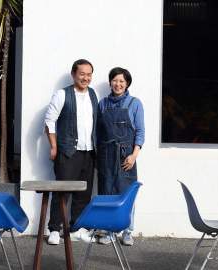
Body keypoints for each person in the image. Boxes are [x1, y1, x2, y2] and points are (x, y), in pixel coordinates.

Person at [44, 59, 98, 245]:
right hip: (68, 152)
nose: (86, 77)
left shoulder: (93, 94)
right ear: (74, 74)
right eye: (82, 74)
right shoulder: (62, 94)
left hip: (89, 152)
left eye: (89, 74)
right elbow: (49, 122)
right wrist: (53, 146)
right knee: (62, 192)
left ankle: (77, 228)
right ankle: (54, 229)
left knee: (84, 193)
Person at [97, 67, 144, 246]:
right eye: (115, 80)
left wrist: (134, 155)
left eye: (122, 81)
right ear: (110, 82)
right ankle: (108, 231)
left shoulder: (135, 103)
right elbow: (98, 131)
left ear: (127, 84)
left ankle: (127, 231)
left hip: (126, 154)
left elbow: (140, 131)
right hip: (106, 154)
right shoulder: (102, 104)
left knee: (127, 193)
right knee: (107, 192)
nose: (118, 84)